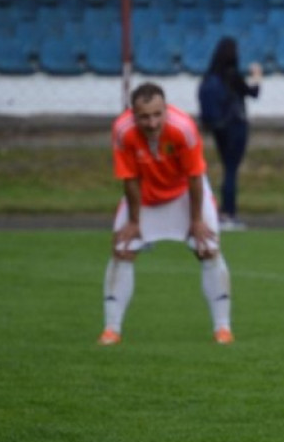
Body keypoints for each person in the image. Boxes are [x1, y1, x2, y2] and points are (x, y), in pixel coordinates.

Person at [99, 82, 234, 346]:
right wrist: (135, 221)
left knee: (208, 248)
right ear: (132, 113)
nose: (152, 122)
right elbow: (129, 178)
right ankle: (111, 330)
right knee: (123, 248)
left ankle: (223, 328)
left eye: (157, 114)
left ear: (166, 109)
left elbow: (195, 176)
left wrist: (195, 220)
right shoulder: (122, 131)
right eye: (144, 116)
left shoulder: (183, 128)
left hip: (185, 193)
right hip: (145, 195)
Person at [197, 36, 262, 231]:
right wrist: (257, 76)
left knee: (227, 167)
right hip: (235, 126)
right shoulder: (232, 75)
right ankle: (228, 213)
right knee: (231, 170)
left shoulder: (210, 76)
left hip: (218, 128)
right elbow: (253, 93)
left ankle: (221, 211)